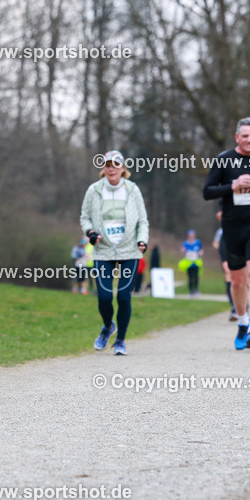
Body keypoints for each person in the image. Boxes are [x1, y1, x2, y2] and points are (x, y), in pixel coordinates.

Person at [203, 117, 250, 350]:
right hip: (233, 227)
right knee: (238, 282)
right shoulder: (223, 160)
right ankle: (243, 322)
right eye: (244, 135)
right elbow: (207, 192)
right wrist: (233, 186)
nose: (249, 139)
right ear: (237, 137)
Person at [80, 150, 150, 356]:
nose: (111, 169)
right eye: (108, 165)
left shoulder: (132, 190)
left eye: (115, 165)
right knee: (104, 297)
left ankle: (120, 340)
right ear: (104, 168)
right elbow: (84, 217)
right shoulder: (94, 190)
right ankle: (108, 326)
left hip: (129, 250)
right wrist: (90, 232)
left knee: (123, 297)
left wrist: (142, 240)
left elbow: (143, 221)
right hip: (103, 250)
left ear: (123, 168)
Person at [212, 211, 239, 320]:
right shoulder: (220, 232)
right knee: (229, 276)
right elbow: (215, 244)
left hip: (239, 256)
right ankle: (234, 308)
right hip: (226, 258)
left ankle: (243, 307)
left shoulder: (240, 229)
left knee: (241, 280)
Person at [179, 230, 203, 297]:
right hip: (188, 263)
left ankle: (196, 290)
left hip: (196, 263)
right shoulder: (185, 243)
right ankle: (191, 291)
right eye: (190, 236)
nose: (191, 237)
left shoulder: (198, 242)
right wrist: (183, 251)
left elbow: (201, 250)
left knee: (196, 277)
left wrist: (200, 253)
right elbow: (183, 251)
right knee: (190, 278)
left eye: (192, 236)